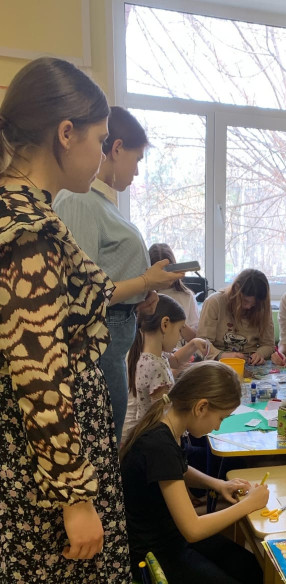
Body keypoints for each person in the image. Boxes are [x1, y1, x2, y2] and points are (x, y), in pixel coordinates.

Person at [0, 58, 137, 584]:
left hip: (46, 448)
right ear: (65, 133)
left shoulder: (32, 212)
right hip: (40, 456)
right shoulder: (24, 227)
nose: (103, 153)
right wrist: (74, 495)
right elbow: (40, 375)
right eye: (100, 138)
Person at [54, 107, 183, 443]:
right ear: (117, 148)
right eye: (137, 159)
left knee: (108, 439)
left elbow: (104, 279)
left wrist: (139, 299)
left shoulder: (100, 202)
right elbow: (81, 291)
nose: (137, 171)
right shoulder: (79, 200)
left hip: (114, 334)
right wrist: (146, 282)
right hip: (98, 340)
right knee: (102, 443)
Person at [120, 361, 268, 584]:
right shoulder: (159, 443)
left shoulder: (169, 422)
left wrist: (217, 484)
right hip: (151, 553)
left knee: (252, 570)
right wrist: (248, 505)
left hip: (169, 535)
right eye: (221, 418)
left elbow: (176, 469)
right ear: (201, 407)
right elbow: (193, 529)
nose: (218, 427)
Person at [121, 294, 209, 443]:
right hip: (141, 440)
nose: (180, 337)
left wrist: (193, 344)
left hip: (134, 435)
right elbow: (161, 416)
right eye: (180, 330)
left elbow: (175, 360)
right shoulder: (155, 366)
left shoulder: (144, 353)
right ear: (165, 324)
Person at [197, 268, 275, 364]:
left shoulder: (263, 307)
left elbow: (268, 345)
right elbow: (202, 343)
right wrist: (222, 355)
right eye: (245, 301)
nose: (248, 306)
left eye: (254, 304)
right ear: (236, 288)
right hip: (218, 362)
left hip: (250, 362)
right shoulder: (214, 302)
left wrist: (260, 354)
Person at [148, 242, 200, 344]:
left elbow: (195, 338)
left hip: (181, 350)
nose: (164, 278)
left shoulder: (187, 296)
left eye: (167, 273)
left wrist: (178, 321)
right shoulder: (145, 297)